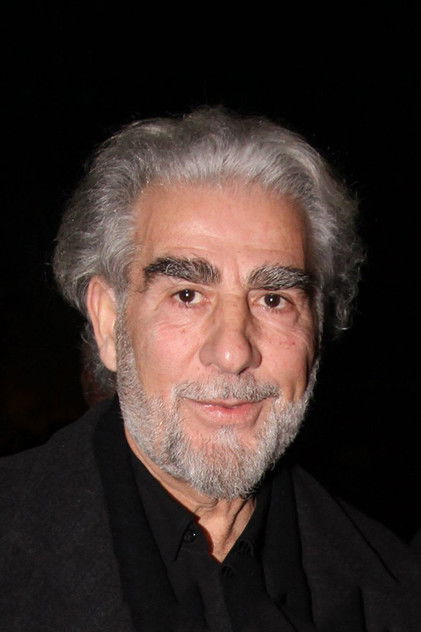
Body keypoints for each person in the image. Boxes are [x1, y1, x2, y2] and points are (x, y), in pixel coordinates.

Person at [1, 108, 420, 631]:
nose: (233, 352)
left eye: (273, 299)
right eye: (187, 294)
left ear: (318, 327)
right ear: (109, 323)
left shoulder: (397, 593)